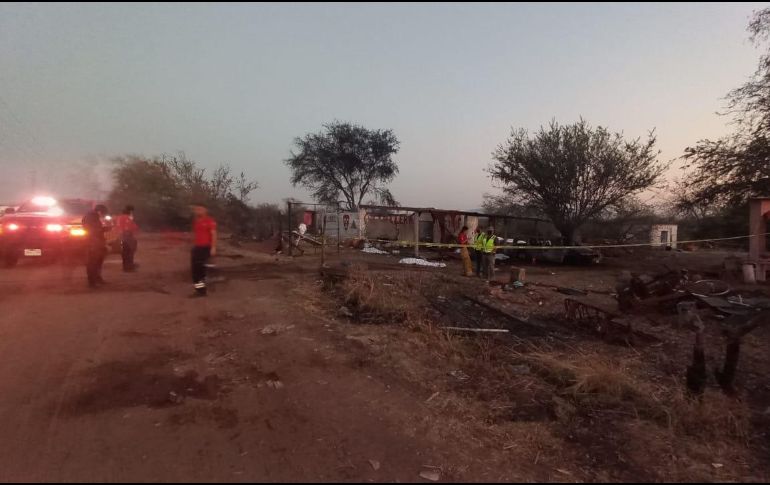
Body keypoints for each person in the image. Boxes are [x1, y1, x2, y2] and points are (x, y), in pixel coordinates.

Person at [191, 203, 217, 297]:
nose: (198, 211)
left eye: (200, 209)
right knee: (195, 271)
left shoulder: (209, 221)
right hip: (197, 248)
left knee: (200, 270)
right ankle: (200, 289)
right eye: (197, 209)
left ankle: (201, 291)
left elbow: (213, 234)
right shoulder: (196, 221)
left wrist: (213, 248)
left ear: (205, 210)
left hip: (205, 248)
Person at [82, 204, 109, 288]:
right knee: (93, 262)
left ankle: (96, 279)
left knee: (98, 261)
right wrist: (105, 229)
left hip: (95, 242)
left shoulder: (92, 216)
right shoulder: (92, 217)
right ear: (99, 211)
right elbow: (93, 230)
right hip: (93, 242)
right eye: (103, 213)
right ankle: (92, 282)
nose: (103, 215)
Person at [116, 205, 139, 272]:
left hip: (122, 236)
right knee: (129, 252)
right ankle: (129, 267)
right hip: (127, 236)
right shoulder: (127, 218)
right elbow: (130, 227)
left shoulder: (119, 217)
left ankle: (126, 266)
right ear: (130, 211)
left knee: (125, 252)